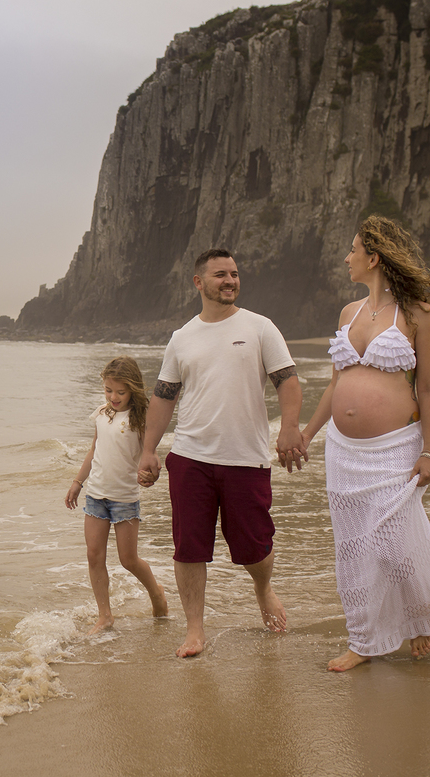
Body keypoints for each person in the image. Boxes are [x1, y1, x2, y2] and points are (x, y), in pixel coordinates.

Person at [301, 215, 430, 672]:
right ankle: (363, 640)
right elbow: (335, 385)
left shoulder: (418, 313)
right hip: (343, 451)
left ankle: (419, 616)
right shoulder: (348, 312)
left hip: (396, 446)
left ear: (373, 257)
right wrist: (306, 432)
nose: (347, 257)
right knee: (352, 547)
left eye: (353, 250)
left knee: (394, 543)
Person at [137, 249, 305, 658]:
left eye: (234, 274)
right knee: (189, 546)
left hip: (245, 456)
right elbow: (163, 398)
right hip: (190, 455)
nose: (229, 280)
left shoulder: (260, 327)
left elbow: (287, 380)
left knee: (253, 544)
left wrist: (288, 426)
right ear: (199, 282)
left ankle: (263, 589)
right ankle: (195, 630)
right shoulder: (182, 337)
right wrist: (148, 450)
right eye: (219, 275)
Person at [66, 356, 169, 634]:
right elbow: (94, 450)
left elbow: (151, 458)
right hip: (95, 496)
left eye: (120, 392)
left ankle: (156, 592)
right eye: (108, 390)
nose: (113, 397)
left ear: (132, 389)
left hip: (124, 499)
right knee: (94, 556)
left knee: (128, 559)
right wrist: (78, 481)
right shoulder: (101, 413)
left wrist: (151, 474)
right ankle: (105, 616)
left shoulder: (141, 419)